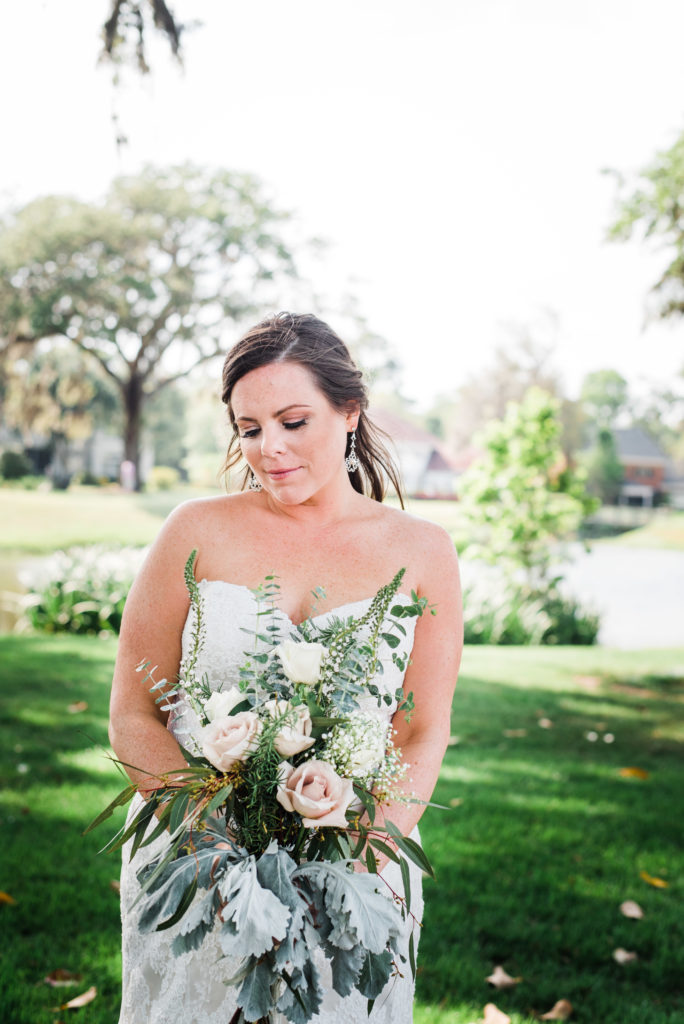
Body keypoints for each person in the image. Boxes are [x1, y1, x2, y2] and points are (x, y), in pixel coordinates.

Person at [109, 312, 463, 1024]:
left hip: (356, 861)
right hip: (195, 862)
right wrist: (204, 834)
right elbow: (132, 713)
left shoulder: (424, 552)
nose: (268, 448)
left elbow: (420, 732)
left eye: (293, 421)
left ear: (350, 412)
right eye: (249, 428)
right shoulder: (194, 531)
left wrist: (364, 850)